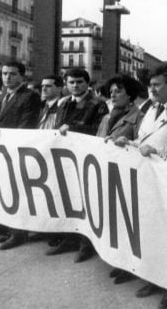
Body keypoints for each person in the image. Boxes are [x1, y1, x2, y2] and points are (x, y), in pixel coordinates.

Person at [123, 63, 167, 309]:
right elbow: (144, 139)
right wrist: (128, 141)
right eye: (150, 84)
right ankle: (154, 278)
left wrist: (158, 151)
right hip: (147, 176)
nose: (151, 89)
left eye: (157, 84)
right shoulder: (153, 109)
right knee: (151, 231)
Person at [47, 68, 109, 263]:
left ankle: (86, 244)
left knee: (85, 202)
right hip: (65, 157)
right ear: (66, 83)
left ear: (87, 83)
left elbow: (98, 131)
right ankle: (69, 238)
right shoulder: (63, 103)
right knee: (67, 199)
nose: (75, 85)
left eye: (80, 82)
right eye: (71, 82)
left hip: (85, 158)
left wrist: (73, 128)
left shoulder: (98, 104)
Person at [0, 61, 41, 249]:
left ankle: (17, 233)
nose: (7, 77)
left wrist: (8, 141)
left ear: (22, 76)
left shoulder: (30, 96)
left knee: (15, 192)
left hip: (15, 150)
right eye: (5, 74)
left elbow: (26, 125)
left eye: (12, 74)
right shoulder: (3, 95)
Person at [96, 74, 145, 286]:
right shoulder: (107, 118)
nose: (113, 95)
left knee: (128, 222)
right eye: (112, 91)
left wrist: (126, 143)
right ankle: (116, 259)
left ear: (131, 95)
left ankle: (130, 266)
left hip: (127, 175)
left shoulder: (139, 117)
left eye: (119, 91)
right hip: (107, 172)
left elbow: (140, 142)